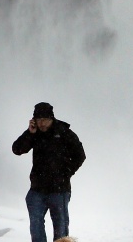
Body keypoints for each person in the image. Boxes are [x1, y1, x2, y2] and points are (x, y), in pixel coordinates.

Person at [12, 102, 86, 242]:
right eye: (38, 120)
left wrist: (66, 172)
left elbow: (80, 155)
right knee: (36, 224)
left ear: (52, 118)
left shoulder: (64, 132)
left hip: (59, 189)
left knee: (61, 227)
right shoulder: (34, 134)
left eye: (44, 120)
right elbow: (17, 149)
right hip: (37, 189)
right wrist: (30, 133)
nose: (42, 124)